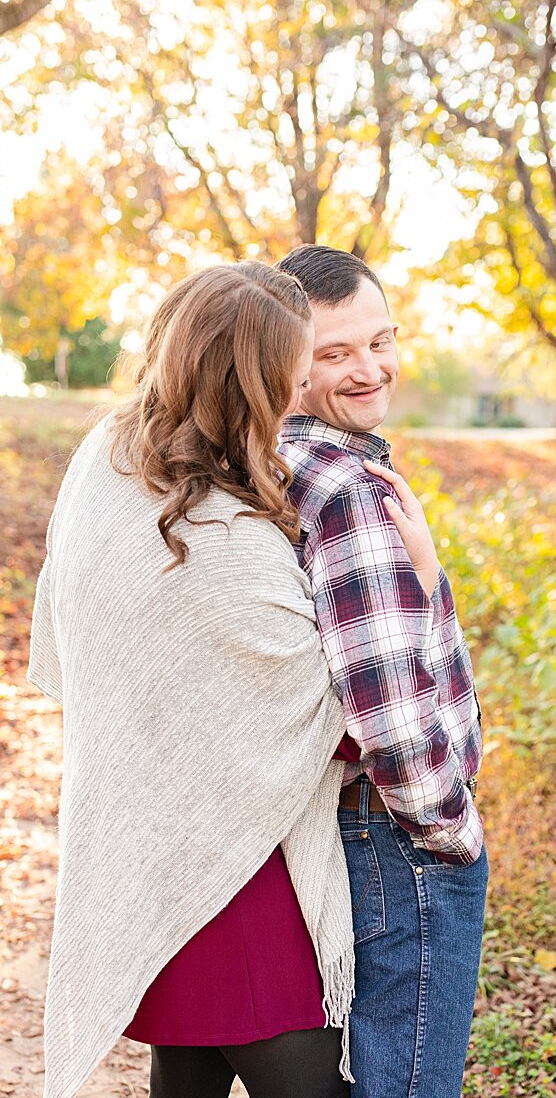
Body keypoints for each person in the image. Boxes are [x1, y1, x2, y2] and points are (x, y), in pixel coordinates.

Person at [27, 261, 443, 1098]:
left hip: (158, 856)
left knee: (185, 1074)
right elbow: (345, 719)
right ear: (249, 388)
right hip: (240, 880)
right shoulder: (227, 539)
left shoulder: (108, 461)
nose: (298, 407)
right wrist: (424, 583)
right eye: (291, 385)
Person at [274, 245, 488, 1098]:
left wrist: (429, 580)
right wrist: (449, 830)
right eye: (335, 354)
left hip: (347, 826)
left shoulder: (281, 464)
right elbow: (387, 706)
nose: (371, 369)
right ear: (285, 366)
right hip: (400, 836)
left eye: (381, 340)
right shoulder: (347, 487)